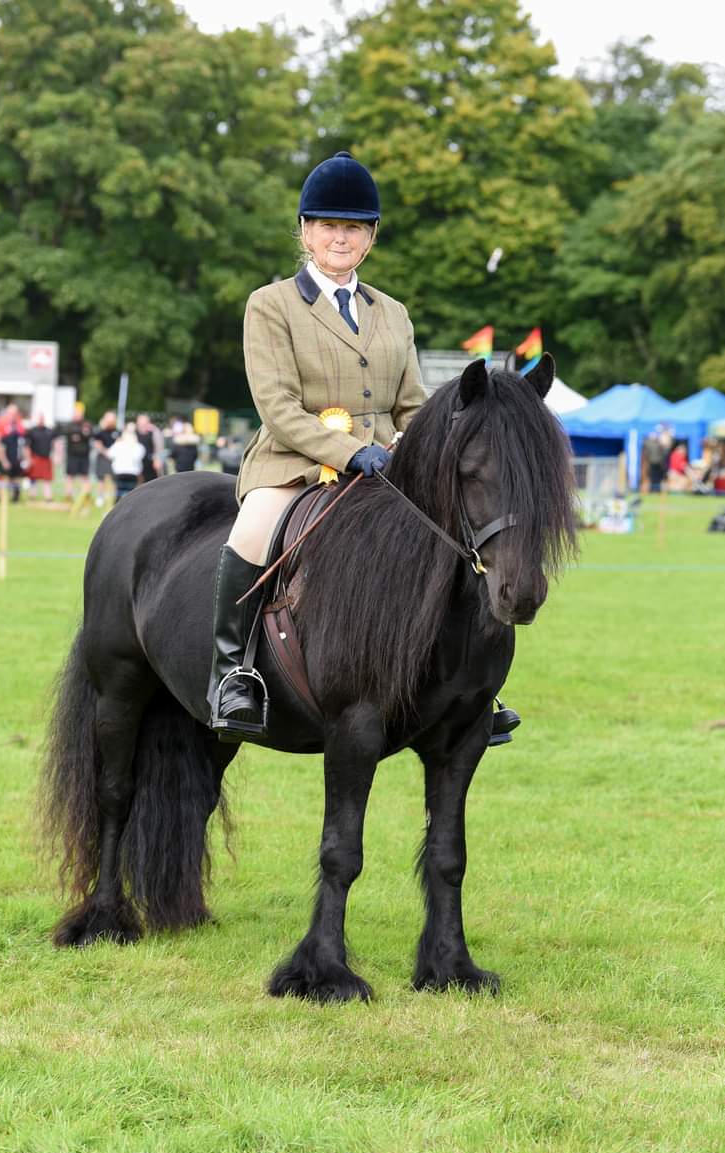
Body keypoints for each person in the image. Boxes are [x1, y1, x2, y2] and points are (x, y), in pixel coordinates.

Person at [207, 150, 520, 746]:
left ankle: (474, 685)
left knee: (454, 540)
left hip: (387, 470)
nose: (340, 238)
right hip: (292, 466)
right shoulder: (270, 305)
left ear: (370, 236)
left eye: (353, 227)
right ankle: (234, 673)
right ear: (305, 231)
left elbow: (411, 404)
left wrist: (426, 442)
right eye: (328, 225)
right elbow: (277, 407)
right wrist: (351, 451)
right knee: (251, 532)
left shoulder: (392, 313)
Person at [60, 405, 94, 500]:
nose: (77, 416)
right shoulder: (69, 425)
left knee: (85, 476)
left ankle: (86, 497)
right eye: (76, 414)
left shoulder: (87, 424)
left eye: (79, 414)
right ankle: (68, 496)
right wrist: (81, 434)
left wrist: (80, 435)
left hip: (84, 455)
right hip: (72, 455)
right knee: (70, 476)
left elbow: (89, 434)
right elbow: (67, 433)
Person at [107, 422, 146, 501]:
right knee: (130, 495)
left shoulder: (118, 445)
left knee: (119, 493)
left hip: (120, 472)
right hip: (132, 472)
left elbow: (109, 454)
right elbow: (140, 456)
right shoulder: (138, 446)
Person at [26, 413, 55, 501]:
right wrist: (28, 458)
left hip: (46, 458)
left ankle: (48, 497)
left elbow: (55, 443)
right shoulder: (31, 431)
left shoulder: (49, 431)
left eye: (42, 418)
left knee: (47, 479)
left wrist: (56, 456)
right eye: (39, 419)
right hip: (35, 457)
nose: (41, 420)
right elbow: (27, 446)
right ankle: (32, 496)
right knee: (33, 478)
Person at [93, 411, 119, 496]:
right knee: (101, 479)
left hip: (114, 458)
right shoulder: (100, 432)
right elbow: (97, 443)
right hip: (102, 456)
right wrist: (105, 452)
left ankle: (114, 497)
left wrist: (113, 453)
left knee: (114, 479)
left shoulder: (117, 432)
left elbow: (119, 443)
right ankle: (100, 497)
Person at [136, 412, 163, 482]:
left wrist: (157, 459)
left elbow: (159, 447)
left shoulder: (153, 433)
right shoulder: (134, 433)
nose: (142, 426)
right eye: (140, 424)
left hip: (151, 461)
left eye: (144, 423)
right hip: (138, 462)